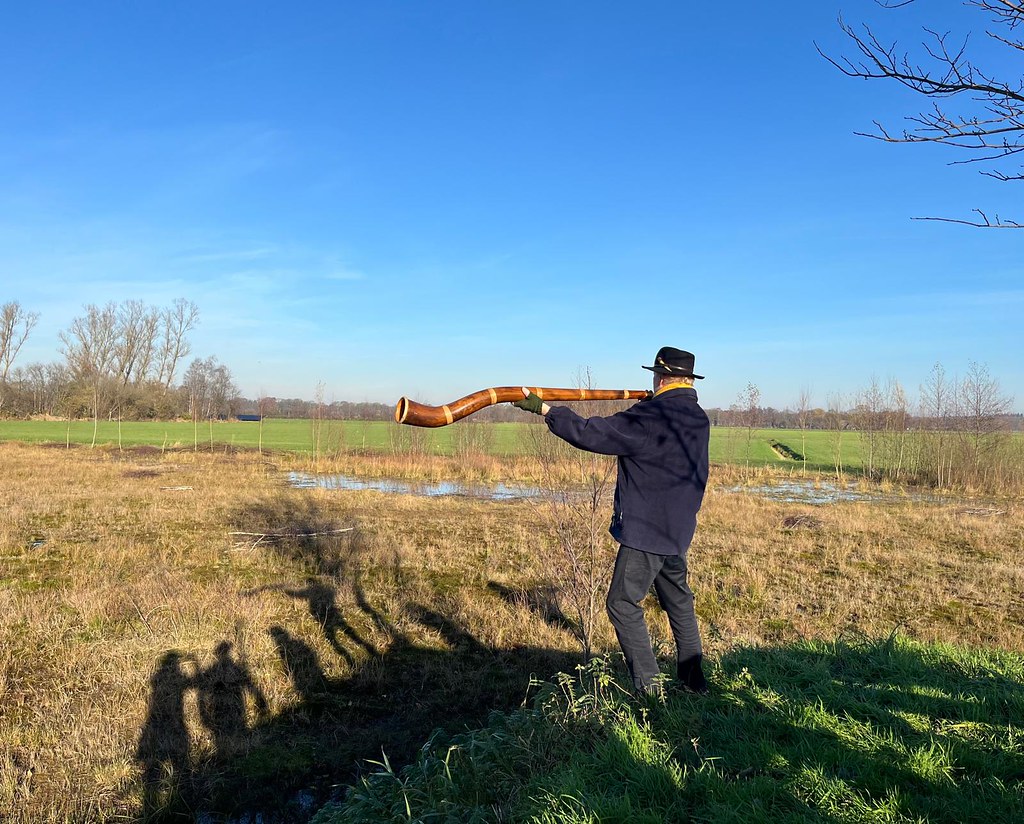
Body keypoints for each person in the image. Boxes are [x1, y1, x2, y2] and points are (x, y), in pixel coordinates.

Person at [513, 347, 711, 695]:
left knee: (621, 603)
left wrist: (545, 410)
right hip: (677, 530)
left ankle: (649, 693)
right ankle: (695, 684)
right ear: (687, 380)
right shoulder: (696, 417)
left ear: (660, 377)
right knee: (679, 602)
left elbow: (594, 433)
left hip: (647, 533)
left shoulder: (652, 417)